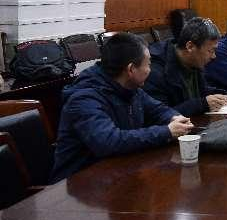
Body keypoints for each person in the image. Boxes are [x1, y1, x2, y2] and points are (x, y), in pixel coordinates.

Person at [51, 33, 194, 182]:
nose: (150, 70)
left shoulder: (131, 88)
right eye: (148, 64)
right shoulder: (84, 99)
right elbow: (108, 142)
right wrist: (166, 132)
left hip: (116, 173)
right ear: (131, 69)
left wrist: (174, 118)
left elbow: (158, 109)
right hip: (77, 184)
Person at [144, 17, 227, 116]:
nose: (214, 56)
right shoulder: (155, 70)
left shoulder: (194, 61)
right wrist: (202, 104)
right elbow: (159, 115)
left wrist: (218, 95)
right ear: (190, 46)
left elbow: (198, 91)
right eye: (210, 51)